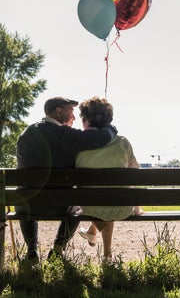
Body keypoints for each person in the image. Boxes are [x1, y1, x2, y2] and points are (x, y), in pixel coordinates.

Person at [16, 96, 117, 263]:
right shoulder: (65, 135)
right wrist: (110, 127)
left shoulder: (26, 134)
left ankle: (32, 249)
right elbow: (103, 137)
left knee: (27, 200)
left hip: (27, 205)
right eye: (71, 111)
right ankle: (58, 248)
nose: (74, 117)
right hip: (60, 205)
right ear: (58, 111)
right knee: (78, 208)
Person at [75, 97, 144, 260]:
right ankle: (106, 255)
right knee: (111, 195)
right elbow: (135, 172)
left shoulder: (77, 143)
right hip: (121, 207)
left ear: (86, 121)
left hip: (89, 206)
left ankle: (96, 238)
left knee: (101, 198)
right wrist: (136, 207)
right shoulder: (122, 142)